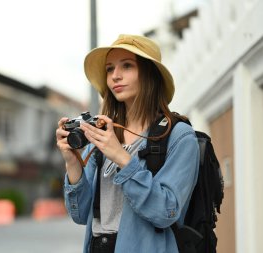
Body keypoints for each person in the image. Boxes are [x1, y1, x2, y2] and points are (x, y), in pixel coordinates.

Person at [56, 34, 200, 253]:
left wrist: (121, 157)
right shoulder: (102, 133)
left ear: (150, 74)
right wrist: (72, 162)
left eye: (127, 66)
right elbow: (80, 214)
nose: (116, 76)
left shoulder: (179, 136)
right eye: (109, 69)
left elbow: (165, 212)